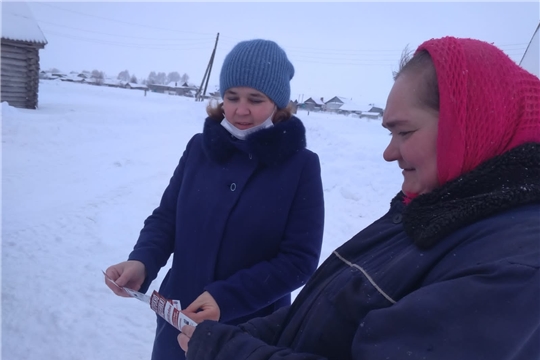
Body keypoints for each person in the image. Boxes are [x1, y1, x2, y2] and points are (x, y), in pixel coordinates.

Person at [177, 36, 540, 359]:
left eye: (405, 131)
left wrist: (228, 348)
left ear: (472, 125)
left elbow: (298, 262)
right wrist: (243, 336)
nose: (388, 153)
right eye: (231, 97)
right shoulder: (431, 210)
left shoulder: (512, 268)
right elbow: (328, 313)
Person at [105, 39, 325, 360]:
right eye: (232, 97)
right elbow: (167, 219)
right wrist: (143, 261)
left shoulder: (300, 166)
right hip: (178, 318)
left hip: (247, 334)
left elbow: (299, 261)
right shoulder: (199, 148)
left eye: (255, 99)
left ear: (278, 104)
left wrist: (228, 298)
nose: (240, 109)